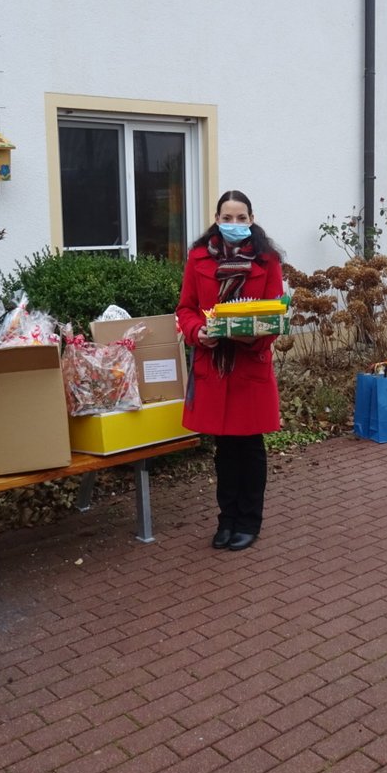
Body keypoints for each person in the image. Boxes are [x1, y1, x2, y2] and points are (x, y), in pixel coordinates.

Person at [176, 190, 284, 552]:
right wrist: (198, 332)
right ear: (217, 219)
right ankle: (226, 520)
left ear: (251, 220)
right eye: (227, 218)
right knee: (224, 450)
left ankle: (249, 522)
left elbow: (273, 318)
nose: (234, 224)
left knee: (250, 448)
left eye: (241, 218)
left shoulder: (268, 261)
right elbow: (186, 308)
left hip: (249, 367)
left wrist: (250, 334)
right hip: (215, 367)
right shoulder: (198, 259)